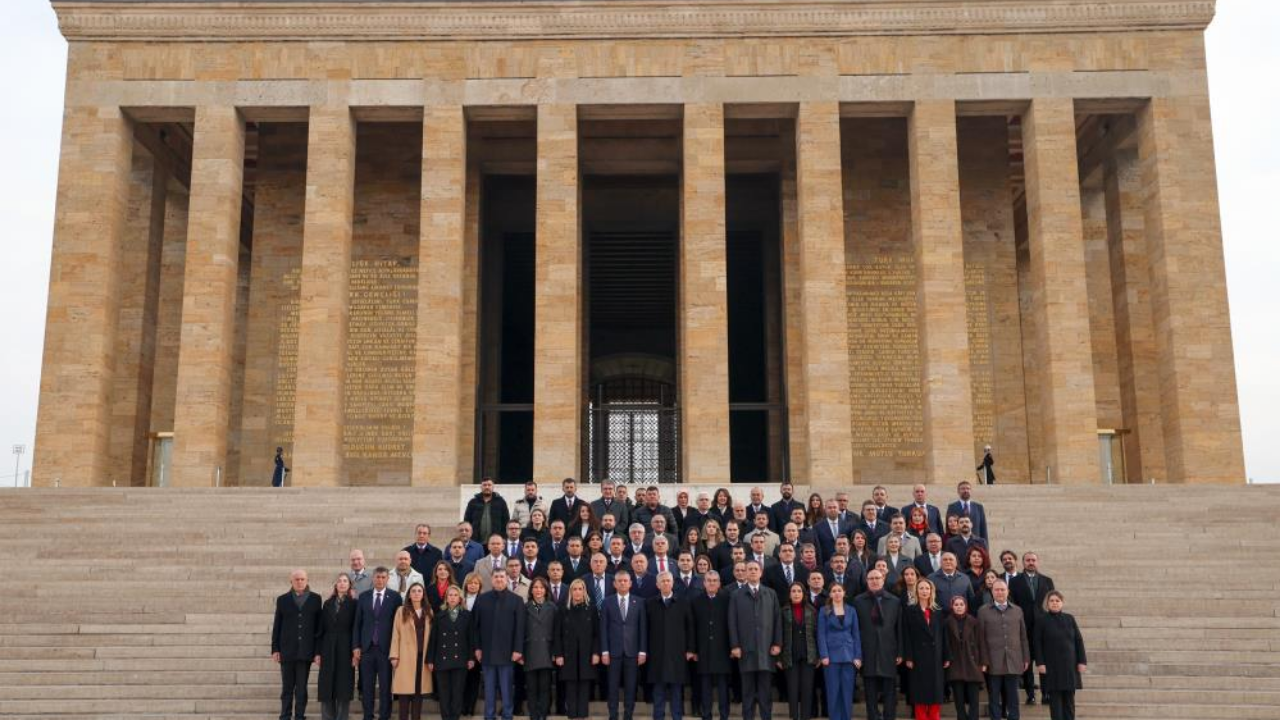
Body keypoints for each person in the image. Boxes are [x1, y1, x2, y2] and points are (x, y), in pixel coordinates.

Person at [728, 560, 782, 720]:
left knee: (765, 692)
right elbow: (732, 622)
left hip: (766, 650)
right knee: (748, 692)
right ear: (744, 572)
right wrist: (735, 645)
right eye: (749, 569)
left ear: (761, 572)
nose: (752, 571)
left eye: (755, 569)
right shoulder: (736, 595)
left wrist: (777, 643)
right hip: (746, 650)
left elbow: (777, 620)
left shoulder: (771, 594)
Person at [473, 570, 526, 720]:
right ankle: (489, 716)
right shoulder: (482, 599)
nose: (499, 579)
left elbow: (520, 628)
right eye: (496, 577)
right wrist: (477, 648)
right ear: (491, 579)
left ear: (507, 579)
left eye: (502, 576)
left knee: (507, 688)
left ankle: (507, 716)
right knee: (489, 689)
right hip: (487, 652)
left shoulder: (516, 600)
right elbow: (475, 627)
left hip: (508, 653)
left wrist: (518, 649)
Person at [852, 569, 903, 720]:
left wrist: (900, 652)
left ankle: (889, 716)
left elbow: (898, 628)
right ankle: (873, 716)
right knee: (870, 688)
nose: (874, 581)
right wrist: (857, 653)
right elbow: (855, 629)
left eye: (877, 578)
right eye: (871, 578)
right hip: (867, 649)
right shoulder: (858, 601)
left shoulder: (894, 601)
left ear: (883, 579)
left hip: (889, 650)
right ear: (867, 581)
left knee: (889, 689)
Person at [273, 569, 323, 720]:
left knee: (301, 688)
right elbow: (277, 626)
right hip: (287, 651)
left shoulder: (315, 599)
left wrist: (317, 651)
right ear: (291, 582)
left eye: (302, 579)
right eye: (297, 579)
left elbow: (318, 628)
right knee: (287, 687)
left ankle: (300, 716)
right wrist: (275, 649)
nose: (300, 582)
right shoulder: (282, 599)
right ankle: (285, 715)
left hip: (305, 651)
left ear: (307, 581)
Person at [354, 567, 403, 720]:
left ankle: (384, 716)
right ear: (372, 578)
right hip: (367, 649)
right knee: (367, 687)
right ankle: (368, 715)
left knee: (385, 686)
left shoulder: (395, 597)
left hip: (386, 649)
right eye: (377, 577)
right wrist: (356, 646)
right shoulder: (363, 597)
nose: (380, 580)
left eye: (383, 577)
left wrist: (396, 650)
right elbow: (357, 623)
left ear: (387, 579)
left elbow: (397, 625)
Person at [977, 580, 1029, 720]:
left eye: (1002, 589)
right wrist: (984, 660)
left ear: (1008, 591)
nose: (999, 592)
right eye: (996, 590)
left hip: (1013, 659)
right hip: (993, 661)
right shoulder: (983, 611)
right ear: (992, 592)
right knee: (994, 696)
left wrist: (1025, 658)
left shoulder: (1018, 610)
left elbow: (1023, 636)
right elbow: (980, 639)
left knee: (1013, 696)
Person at [647, 572, 695, 720]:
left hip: (678, 653)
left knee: (676, 690)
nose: (666, 583)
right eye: (663, 581)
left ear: (672, 583)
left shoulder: (683, 602)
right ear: (657, 585)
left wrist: (690, 649)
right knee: (658, 690)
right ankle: (658, 717)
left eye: (668, 581)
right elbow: (645, 629)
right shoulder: (650, 604)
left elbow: (690, 628)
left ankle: (677, 717)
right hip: (657, 653)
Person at [1008, 552, 1054, 705]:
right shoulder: (1015, 581)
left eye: (1033, 560)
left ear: (1037, 562)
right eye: (1028, 560)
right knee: (1026, 663)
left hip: (1043, 627)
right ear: (1023, 562)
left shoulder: (1047, 581)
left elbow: (1051, 602)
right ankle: (1030, 694)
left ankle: (1046, 693)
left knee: (1044, 661)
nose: (1031, 562)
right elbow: (1012, 602)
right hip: (1024, 627)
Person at [1032, 591, 1087, 720]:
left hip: (1069, 666)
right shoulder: (1041, 620)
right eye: (1052, 601)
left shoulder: (1069, 618)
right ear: (1047, 604)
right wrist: (1040, 662)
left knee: (1069, 702)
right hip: (1051, 667)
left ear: (1062, 603)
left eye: (1057, 601)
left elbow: (1078, 640)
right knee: (1055, 703)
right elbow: (1037, 643)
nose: (1054, 603)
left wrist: (1082, 661)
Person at [601, 571, 647, 720]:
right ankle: (613, 715)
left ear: (630, 583)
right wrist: (604, 651)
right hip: (613, 652)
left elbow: (642, 628)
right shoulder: (607, 602)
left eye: (625, 581)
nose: (622, 583)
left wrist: (642, 651)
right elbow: (603, 628)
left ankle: (628, 715)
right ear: (614, 584)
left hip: (632, 652)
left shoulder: (639, 602)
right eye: (619, 581)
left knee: (631, 686)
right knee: (612, 687)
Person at [428, 585, 476, 720]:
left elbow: (471, 638)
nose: (453, 598)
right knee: (444, 694)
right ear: (446, 598)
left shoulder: (467, 615)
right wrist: (430, 659)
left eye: (455, 595)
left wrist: (471, 658)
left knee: (457, 693)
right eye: (450, 595)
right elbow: (433, 639)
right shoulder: (439, 616)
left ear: (460, 598)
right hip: (441, 660)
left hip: (460, 659)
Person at [816, 582, 861, 720]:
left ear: (844, 593)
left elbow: (856, 634)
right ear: (830, 594)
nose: (837, 593)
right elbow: (821, 634)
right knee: (833, 691)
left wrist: (858, 656)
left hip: (849, 656)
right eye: (834, 591)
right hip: (831, 657)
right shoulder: (824, 610)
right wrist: (824, 655)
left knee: (847, 692)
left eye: (839, 590)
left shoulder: (851, 610)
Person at [556, 579, 600, 720]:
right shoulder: (563, 609)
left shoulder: (591, 608)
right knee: (570, 686)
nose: (577, 592)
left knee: (584, 685)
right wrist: (559, 654)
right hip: (568, 654)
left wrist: (595, 652)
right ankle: (572, 715)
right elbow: (558, 634)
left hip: (586, 654)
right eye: (574, 589)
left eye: (580, 589)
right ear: (570, 592)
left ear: (584, 591)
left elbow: (596, 633)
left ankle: (582, 715)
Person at [903, 578, 946, 720]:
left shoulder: (938, 611)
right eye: (921, 588)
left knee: (935, 692)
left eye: (927, 588)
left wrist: (946, 656)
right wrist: (908, 657)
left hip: (935, 657)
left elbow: (943, 636)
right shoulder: (910, 611)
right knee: (919, 693)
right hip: (917, 657)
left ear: (931, 591)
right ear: (916, 590)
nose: (924, 591)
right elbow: (906, 635)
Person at [389, 583, 433, 720]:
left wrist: (431, 658)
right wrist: (394, 655)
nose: (416, 593)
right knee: (404, 692)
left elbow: (432, 637)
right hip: (405, 656)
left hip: (423, 657)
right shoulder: (401, 610)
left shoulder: (429, 611)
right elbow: (396, 634)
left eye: (419, 591)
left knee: (418, 692)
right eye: (413, 591)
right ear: (409, 594)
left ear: (423, 594)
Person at [691, 572, 732, 720]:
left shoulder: (727, 599)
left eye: (715, 580)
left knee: (723, 687)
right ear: (704, 583)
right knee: (705, 686)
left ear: (719, 583)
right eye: (709, 581)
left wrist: (733, 647)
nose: (712, 583)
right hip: (703, 650)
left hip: (723, 650)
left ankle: (724, 715)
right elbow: (692, 627)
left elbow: (732, 625)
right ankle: (706, 715)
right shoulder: (696, 601)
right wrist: (693, 649)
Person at [318, 573, 358, 720]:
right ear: (335, 585)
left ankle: (342, 717)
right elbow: (320, 629)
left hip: (346, 646)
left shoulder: (354, 604)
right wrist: (318, 652)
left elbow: (356, 628)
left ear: (349, 585)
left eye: (345, 581)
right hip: (328, 646)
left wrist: (355, 651)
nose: (342, 583)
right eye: (339, 581)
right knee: (326, 685)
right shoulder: (327, 604)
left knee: (343, 685)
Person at [778, 582, 819, 720]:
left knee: (807, 690)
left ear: (803, 594)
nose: (796, 594)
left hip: (809, 655)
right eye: (793, 591)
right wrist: (778, 658)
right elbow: (779, 634)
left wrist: (818, 655)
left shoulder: (812, 610)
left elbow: (816, 633)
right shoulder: (783, 611)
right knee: (792, 690)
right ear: (789, 594)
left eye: (799, 591)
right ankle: (794, 717)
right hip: (790, 655)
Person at [523, 577, 560, 720]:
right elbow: (521, 631)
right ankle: (533, 714)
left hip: (547, 651)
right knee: (531, 687)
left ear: (546, 590)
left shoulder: (553, 607)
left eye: (541, 588)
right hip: (530, 650)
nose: (538, 590)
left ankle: (543, 714)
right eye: (535, 587)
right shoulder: (525, 607)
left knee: (545, 687)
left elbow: (557, 632)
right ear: (531, 590)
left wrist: (556, 652)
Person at [943, 596, 983, 720]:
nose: (959, 607)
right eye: (956, 604)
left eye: (961, 604)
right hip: (955, 663)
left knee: (974, 700)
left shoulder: (974, 621)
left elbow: (980, 643)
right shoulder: (947, 622)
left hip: (972, 663)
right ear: (952, 607)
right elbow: (945, 643)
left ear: (966, 606)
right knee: (958, 699)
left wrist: (982, 662)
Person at [459, 573, 484, 714]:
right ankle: (462, 706)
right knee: (462, 678)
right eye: (470, 583)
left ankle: (470, 708)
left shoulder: (484, 600)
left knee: (474, 678)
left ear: (480, 586)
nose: (473, 585)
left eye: (476, 583)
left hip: (476, 643)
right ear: (466, 585)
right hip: (461, 643)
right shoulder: (460, 599)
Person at [463, 478, 511, 550]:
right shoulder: (473, 502)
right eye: (484, 485)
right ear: (481, 487)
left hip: (495, 542)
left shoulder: (501, 502)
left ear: (493, 487)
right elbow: (467, 520)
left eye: (489, 485)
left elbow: (506, 521)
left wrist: (504, 537)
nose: (487, 487)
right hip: (476, 541)